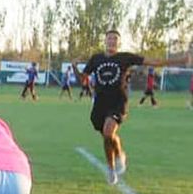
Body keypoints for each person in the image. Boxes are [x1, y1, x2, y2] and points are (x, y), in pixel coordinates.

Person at [79, 29, 189, 184]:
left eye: (115, 39)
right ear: (105, 40)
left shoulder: (125, 57)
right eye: (109, 38)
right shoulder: (96, 59)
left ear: (119, 43)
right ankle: (118, 157)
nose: (112, 41)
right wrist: (76, 68)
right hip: (100, 104)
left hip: (118, 102)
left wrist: (179, 60)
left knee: (108, 132)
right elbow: (83, 78)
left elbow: (153, 62)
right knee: (108, 137)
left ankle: (112, 167)